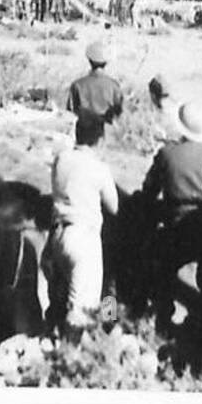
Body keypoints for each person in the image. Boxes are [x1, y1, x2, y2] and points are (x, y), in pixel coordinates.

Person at [141, 81, 202, 367]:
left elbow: (148, 192)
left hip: (175, 227)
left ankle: (162, 325)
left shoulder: (166, 154)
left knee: (159, 271)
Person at [42, 137, 118, 331]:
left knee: (61, 296)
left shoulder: (61, 158)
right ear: (100, 140)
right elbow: (114, 207)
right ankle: (76, 349)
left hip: (57, 233)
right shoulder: (99, 168)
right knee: (83, 311)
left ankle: (53, 337)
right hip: (83, 237)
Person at [66, 41, 124, 147]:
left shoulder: (77, 85)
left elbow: (70, 112)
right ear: (106, 63)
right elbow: (119, 112)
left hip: (82, 133)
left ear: (89, 60)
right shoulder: (114, 86)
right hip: (105, 135)